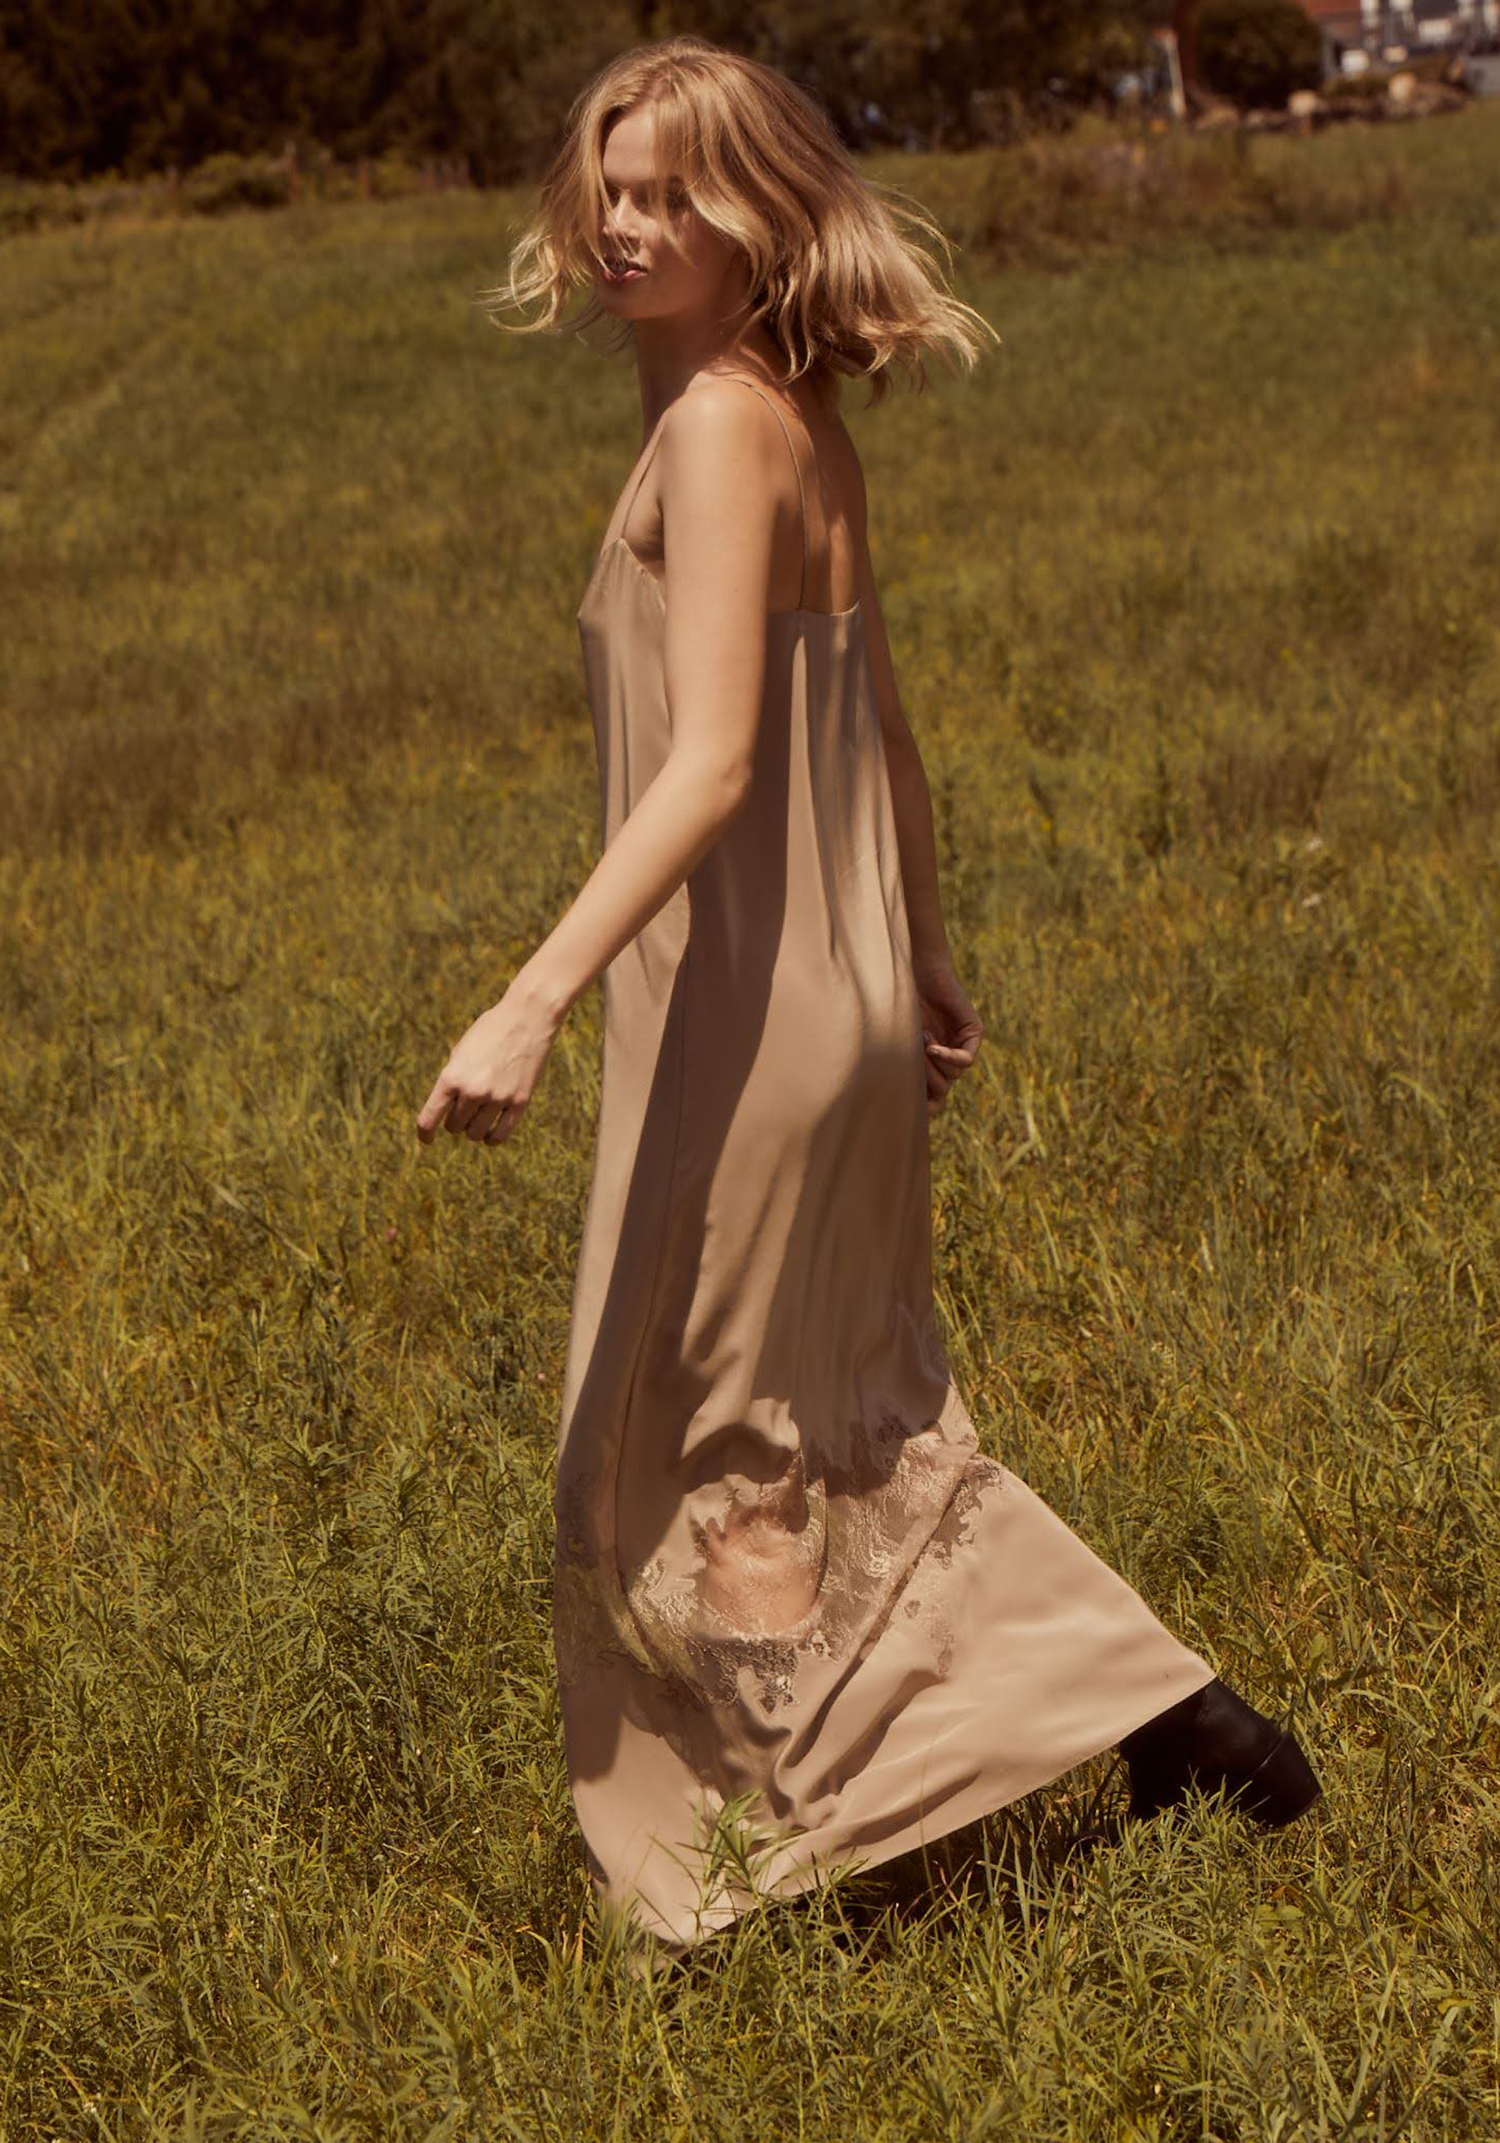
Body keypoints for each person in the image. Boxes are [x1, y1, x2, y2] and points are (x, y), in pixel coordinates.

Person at [415, 34, 1320, 1963]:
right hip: (826, 988)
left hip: (746, 1016)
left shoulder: (723, 427)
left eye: (672, 194)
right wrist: (919, 951)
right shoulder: (790, 415)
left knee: (705, 1453)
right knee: (845, 1417)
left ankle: (799, 1862)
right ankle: (1168, 1726)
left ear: (755, 217)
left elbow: (721, 760)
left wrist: (531, 997)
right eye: (613, 189)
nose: (628, 223)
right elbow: (883, 725)